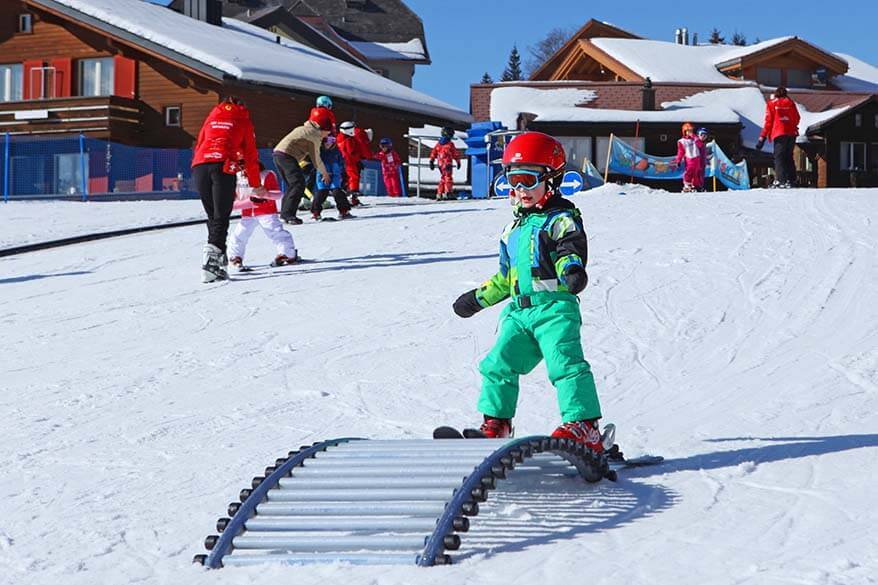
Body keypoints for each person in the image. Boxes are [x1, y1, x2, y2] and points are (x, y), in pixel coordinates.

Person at [451, 131, 604, 455]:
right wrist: (477, 299)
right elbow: (506, 279)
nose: (520, 190)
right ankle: (496, 424)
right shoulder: (512, 230)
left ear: (551, 179)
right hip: (519, 313)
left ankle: (585, 426)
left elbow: (568, 250)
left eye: (528, 180)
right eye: (512, 181)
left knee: (565, 363)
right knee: (497, 364)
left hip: (554, 309)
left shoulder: (561, 219)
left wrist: (571, 271)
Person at [192, 96, 266, 283]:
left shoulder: (212, 117)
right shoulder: (243, 119)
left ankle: (218, 259)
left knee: (213, 217)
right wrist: (256, 185)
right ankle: (210, 266)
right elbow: (250, 155)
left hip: (200, 165)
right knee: (221, 217)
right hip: (223, 166)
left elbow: (200, 143)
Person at [228, 161, 298, 268]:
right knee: (239, 235)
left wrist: (266, 194)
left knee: (275, 231)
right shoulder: (238, 177)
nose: (242, 169)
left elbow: (278, 194)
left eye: (244, 165)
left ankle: (287, 254)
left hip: (266, 212)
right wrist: (244, 203)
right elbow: (234, 200)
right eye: (240, 166)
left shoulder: (266, 175)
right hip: (247, 214)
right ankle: (235, 257)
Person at [273, 109, 332, 225]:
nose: (328, 135)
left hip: (278, 154)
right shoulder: (314, 135)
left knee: (292, 185)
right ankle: (289, 215)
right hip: (287, 155)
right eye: (328, 132)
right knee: (298, 184)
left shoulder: (305, 129)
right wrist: (325, 173)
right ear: (323, 129)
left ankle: (285, 214)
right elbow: (316, 159)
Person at [755, 87, 800, 188]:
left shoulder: (772, 104)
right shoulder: (790, 103)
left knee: (779, 157)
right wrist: (790, 125)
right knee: (788, 156)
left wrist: (762, 138)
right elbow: (797, 118)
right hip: (792, 134)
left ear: (776, 94)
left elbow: (768, 122)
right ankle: (792, 180)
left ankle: (781, 181)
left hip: (779, 133)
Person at [311, 135, 354, 220]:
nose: (328, 144)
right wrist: (323, 173)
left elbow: (341, 163)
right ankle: (316, 213)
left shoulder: (336, 151)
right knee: (321, 192)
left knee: (337, 192)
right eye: (326, 141)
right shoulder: (319, 151)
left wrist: (343, 174)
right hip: (322, 173)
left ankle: (344, 211)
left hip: (335, 173)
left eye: (331, 141)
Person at [337, 121, 373, 207]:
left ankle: (345, 196)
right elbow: (352, 153)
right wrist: (359, 159)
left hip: (342, 162)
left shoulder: (339, 138)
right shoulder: (349, 140)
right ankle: (352, 198)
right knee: (354, 178)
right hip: (350, 163)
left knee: (345, 179)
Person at [672, 122, 708, 192]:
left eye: (691, 131)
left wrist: (694, 137)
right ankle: (687, 184)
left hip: (697, 158)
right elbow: (680, 152)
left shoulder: (695, 139)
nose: (690, 133)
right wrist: (678, 160)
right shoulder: (682, 141)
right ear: (684, 132)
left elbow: (700, 145)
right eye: (688, 131)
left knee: (697, 173)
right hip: (689, 159)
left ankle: (697, 185)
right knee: (689, 171)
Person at [429, 129, 461, 200]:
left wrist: (431, 161)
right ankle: (448, 192)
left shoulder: (438, 144)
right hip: (447, 163)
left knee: (443, 178)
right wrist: (458, 161)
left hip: (440, 164)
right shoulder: (450, 144)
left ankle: (439, 193)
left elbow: (433, 152)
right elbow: (455, 154)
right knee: (448, 177)